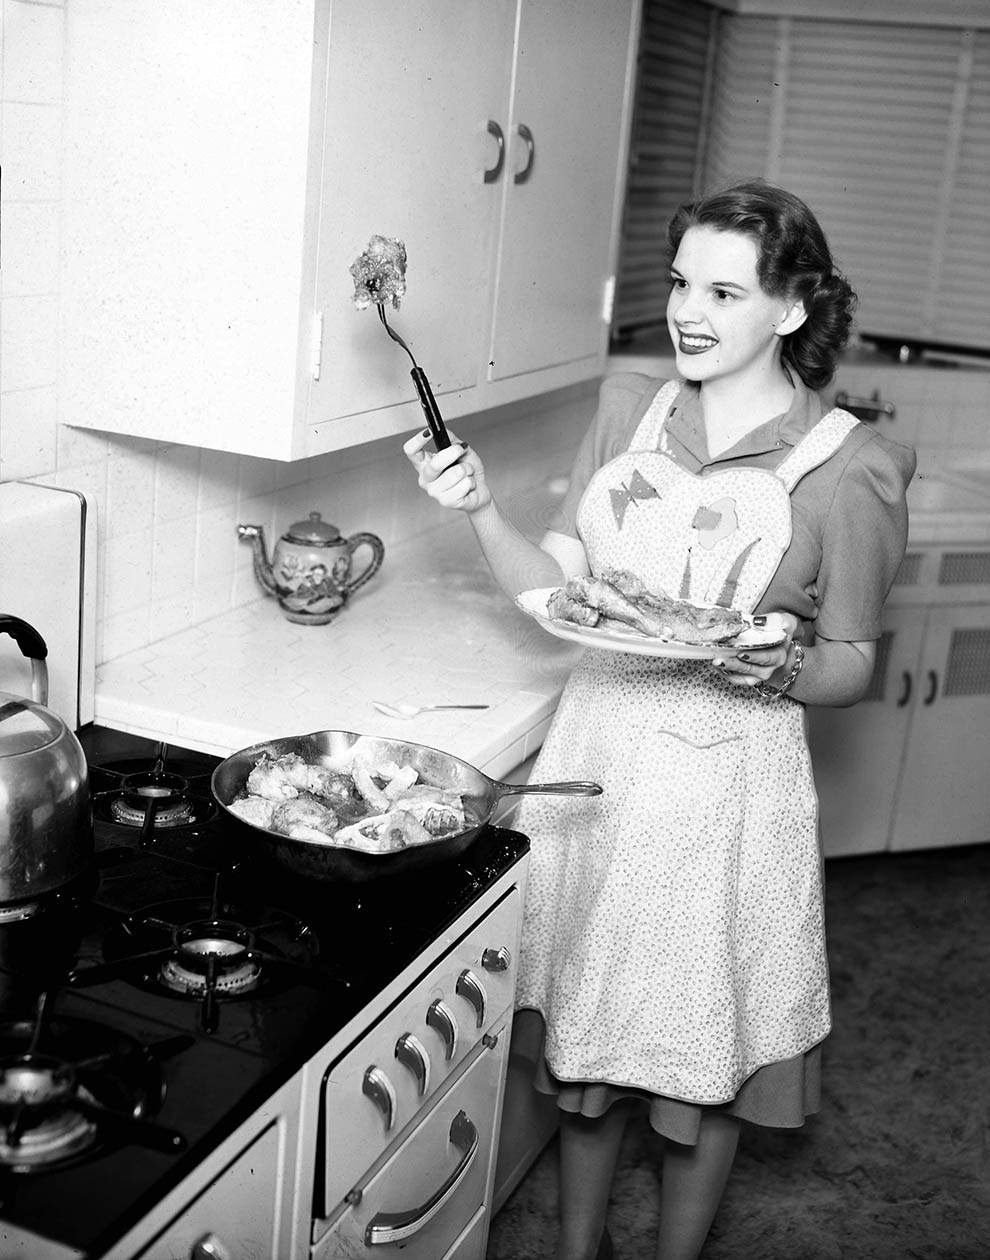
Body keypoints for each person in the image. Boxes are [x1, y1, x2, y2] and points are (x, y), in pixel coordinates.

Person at [403, 180, 915, 1260]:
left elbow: (854, 665)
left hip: (728, 788)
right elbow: (562, 594)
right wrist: (482, 509)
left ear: (791, 307)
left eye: (725, 292)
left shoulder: (850, 467)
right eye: (682, 281)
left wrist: (778, 663)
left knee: (698, 1063)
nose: (689, 310)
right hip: (597, 759)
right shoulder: (628, 405)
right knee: (586, 1050)